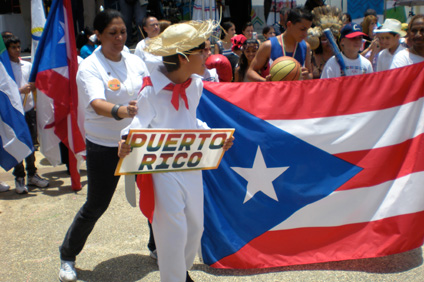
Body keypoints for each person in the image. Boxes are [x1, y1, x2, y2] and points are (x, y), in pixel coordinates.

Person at [118, 20, 234, 282]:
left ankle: (179, 275)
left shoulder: (196, 85)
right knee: (173, 232)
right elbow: (136, 126)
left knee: (195, 227)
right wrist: (125, 141)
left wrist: (213, 137)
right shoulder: (150, 91)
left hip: (191, 165)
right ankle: (173, 278)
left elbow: (191, 122)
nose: (208, 54)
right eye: (201, 50)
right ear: (183, 58)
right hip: (162, 171)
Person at [58, 10, 148, 282]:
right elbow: (97, 104)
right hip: (105, 145)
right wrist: (123, 110)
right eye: (112, 33)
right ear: (98, 34)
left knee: (157, 196)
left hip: (138, 141)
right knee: (96, 205)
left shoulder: (134, 61)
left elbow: (151, 87)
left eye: (123, 32)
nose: (119, 38)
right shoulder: (89, 67)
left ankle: (158, 248)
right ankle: (67, 256)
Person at [4, 35, 49, 194]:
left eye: (18, 46)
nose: (16, 50)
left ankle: (32, 174)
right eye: (12, 48)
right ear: (6, 49)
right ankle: (19, 176)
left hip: (29, 110)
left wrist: (33, 85)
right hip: (14, 113)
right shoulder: (3, 69)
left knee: (30, 143)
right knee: (18, 144)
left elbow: (37, 84)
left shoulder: (27, 65)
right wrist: (19, 91)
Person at [247, 7, 313, 82]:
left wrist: (307, 76)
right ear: (289, 24)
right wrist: (265, 81)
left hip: (296, 93)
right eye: (302, 29)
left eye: (307, 30)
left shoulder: (305, 47)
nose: (305, 34)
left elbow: (310, 74)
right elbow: (250, 72)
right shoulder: (269, 46)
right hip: (274, 92)